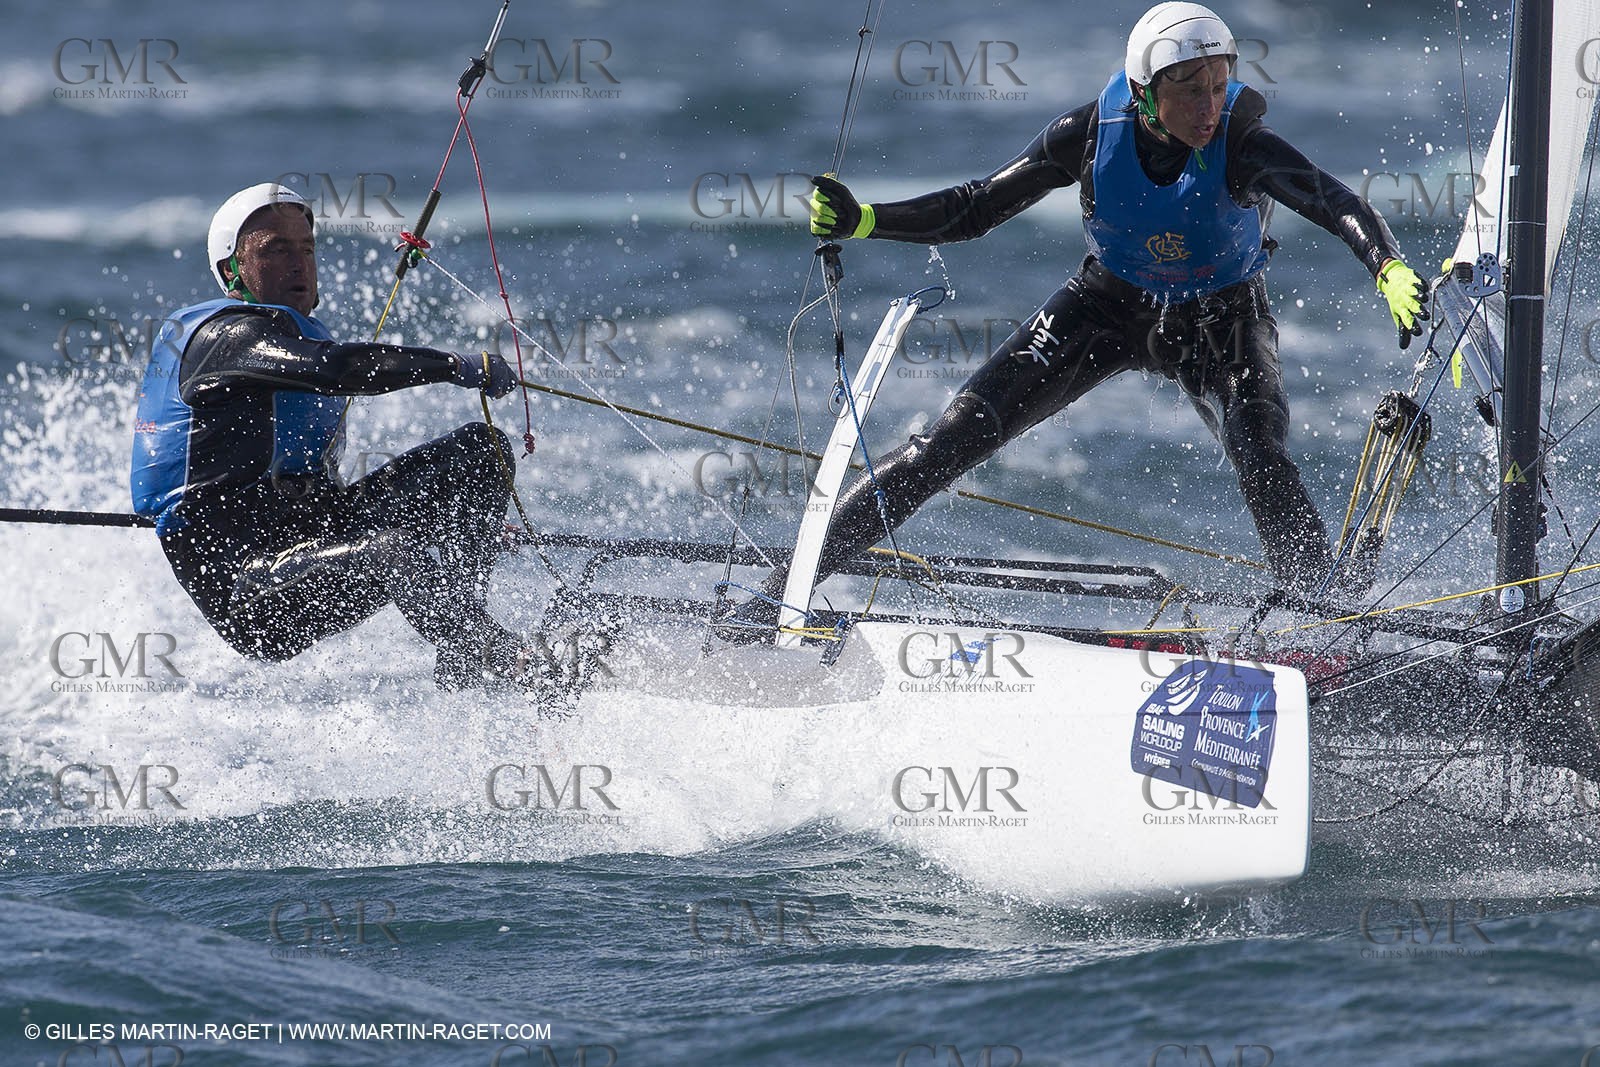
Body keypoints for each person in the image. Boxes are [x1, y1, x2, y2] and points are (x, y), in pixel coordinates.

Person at [723, 1, 1429, 640]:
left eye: (1219, 84)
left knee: (1261, 457)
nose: (1208, 105)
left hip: (1224, 317)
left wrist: (1386, 265)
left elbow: (1332, 199)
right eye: (1189, 87)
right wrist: (868, 219)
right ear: (1147, 90)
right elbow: (977, 206)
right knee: (947, 440)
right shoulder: (1088, 136)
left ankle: (1327, 623)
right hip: (1108, 307)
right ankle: (778, 596)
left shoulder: (1242, 146)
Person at [131, 182, 545, 691]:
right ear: (230, 272)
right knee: (395, 551)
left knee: (483, 451)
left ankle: (465, 637)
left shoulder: (296, 332)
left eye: (306, 248)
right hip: (249, 589)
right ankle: (495, 657)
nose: (298, 263)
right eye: (275, 250)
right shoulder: (225, 338)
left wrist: (463, 525)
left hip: (317, 531)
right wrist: (455, 365)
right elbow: (337, 367)